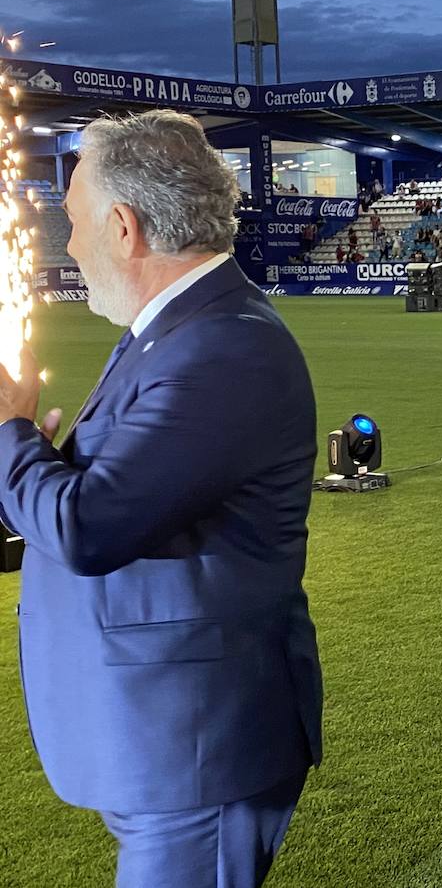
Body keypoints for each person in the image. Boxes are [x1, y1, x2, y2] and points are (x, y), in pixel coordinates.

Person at [1, 110, 323, 887]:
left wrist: (9, 432)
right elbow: (120, 497)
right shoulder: (177, 331)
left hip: (196, 747)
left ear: (123, 226)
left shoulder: (222, 347)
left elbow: (89, 525)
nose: (68, 244)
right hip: (161, 736)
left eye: (74, 221)